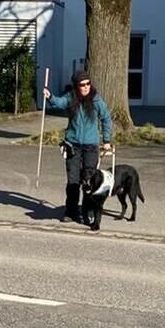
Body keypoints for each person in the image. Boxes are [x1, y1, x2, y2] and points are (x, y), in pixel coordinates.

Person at [43, 69, 113, 223]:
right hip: (72, 145)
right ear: (76, 86)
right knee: (73, 180)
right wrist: (50, 97)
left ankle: (88, 210)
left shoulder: (96, 100)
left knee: (90, 182)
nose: (86, 86)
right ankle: (71, 211)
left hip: (91, 146)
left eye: (88, 83)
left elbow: (106, 118)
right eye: (82, 84)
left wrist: (106, 140)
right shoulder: (70, 97)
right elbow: (59, 103)